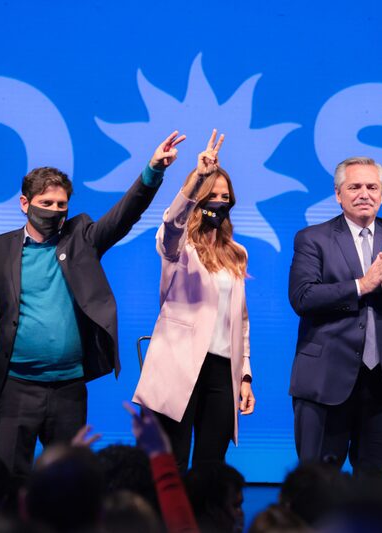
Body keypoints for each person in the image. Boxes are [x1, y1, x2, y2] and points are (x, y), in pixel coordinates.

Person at [0, 131, 185, 479]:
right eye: (46, 203)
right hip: (16, 387)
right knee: (8, 484)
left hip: (68, 390)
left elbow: (125, 215)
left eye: (61, 205)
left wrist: (153, 170)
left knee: (67, 487)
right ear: (24, 203)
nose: (54, 211)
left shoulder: (81, 238)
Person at [288, 156, 382, 478]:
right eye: (354, 186)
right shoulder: (313, 238)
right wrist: (361, 286)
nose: (364, 193)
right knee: (316, 487)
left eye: (372, 187)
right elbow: (303, 297)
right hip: (325, 381)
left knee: (375, 489)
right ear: (338, 195)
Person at [133, 130, 256, 472]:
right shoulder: (178, 246)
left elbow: (240, 322)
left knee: (210, 467)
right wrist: (196, 179)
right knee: (168, 465)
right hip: (178, 365)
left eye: (225, 196)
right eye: (211, 195)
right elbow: (172, 223)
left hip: (221, 370)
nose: (219, 201)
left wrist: (244, 375)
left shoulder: (237, 253)